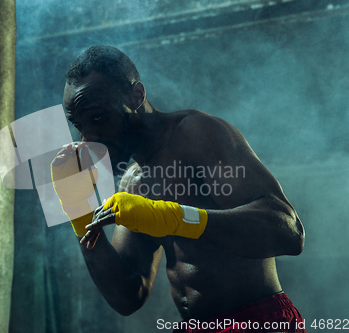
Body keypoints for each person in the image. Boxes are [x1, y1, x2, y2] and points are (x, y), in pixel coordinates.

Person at [51, 45, 306, 332]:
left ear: (136, 96)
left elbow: (289, 232)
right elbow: (127, 295)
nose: (88, 137)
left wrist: (175, 217)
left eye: (97, 118)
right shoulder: (134, 182)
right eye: (79, 125)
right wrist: (78, 211)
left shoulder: (195, 134)